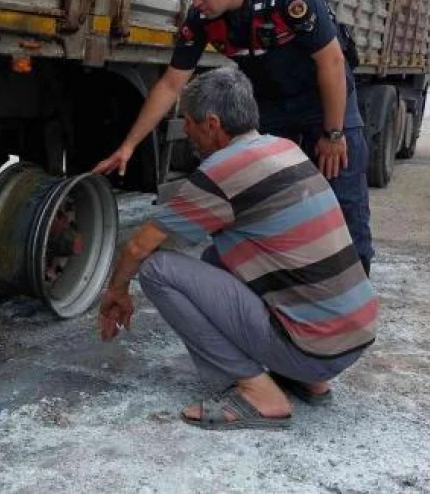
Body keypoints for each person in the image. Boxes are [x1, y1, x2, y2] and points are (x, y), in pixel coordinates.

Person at [98, 66, 376, 429]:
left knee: (158, 271)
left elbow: (138, 247)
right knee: (217, 257)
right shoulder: (284, 147)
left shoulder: (220, 173)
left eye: (189, 122)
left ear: (212, 124)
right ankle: (309, 382)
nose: (187, 132)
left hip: (314, 348)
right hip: (353, 335)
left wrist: (116, 291)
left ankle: (259, 394)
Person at [93, 0, 373, 274]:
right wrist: (129, 146)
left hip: (324, 98)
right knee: (260, 197)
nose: (195, 2)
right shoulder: (203, 20)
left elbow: (330, 62)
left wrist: (333, 133)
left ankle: (355, 299)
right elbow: (170, 84)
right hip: (269, 104)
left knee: (344, 198)